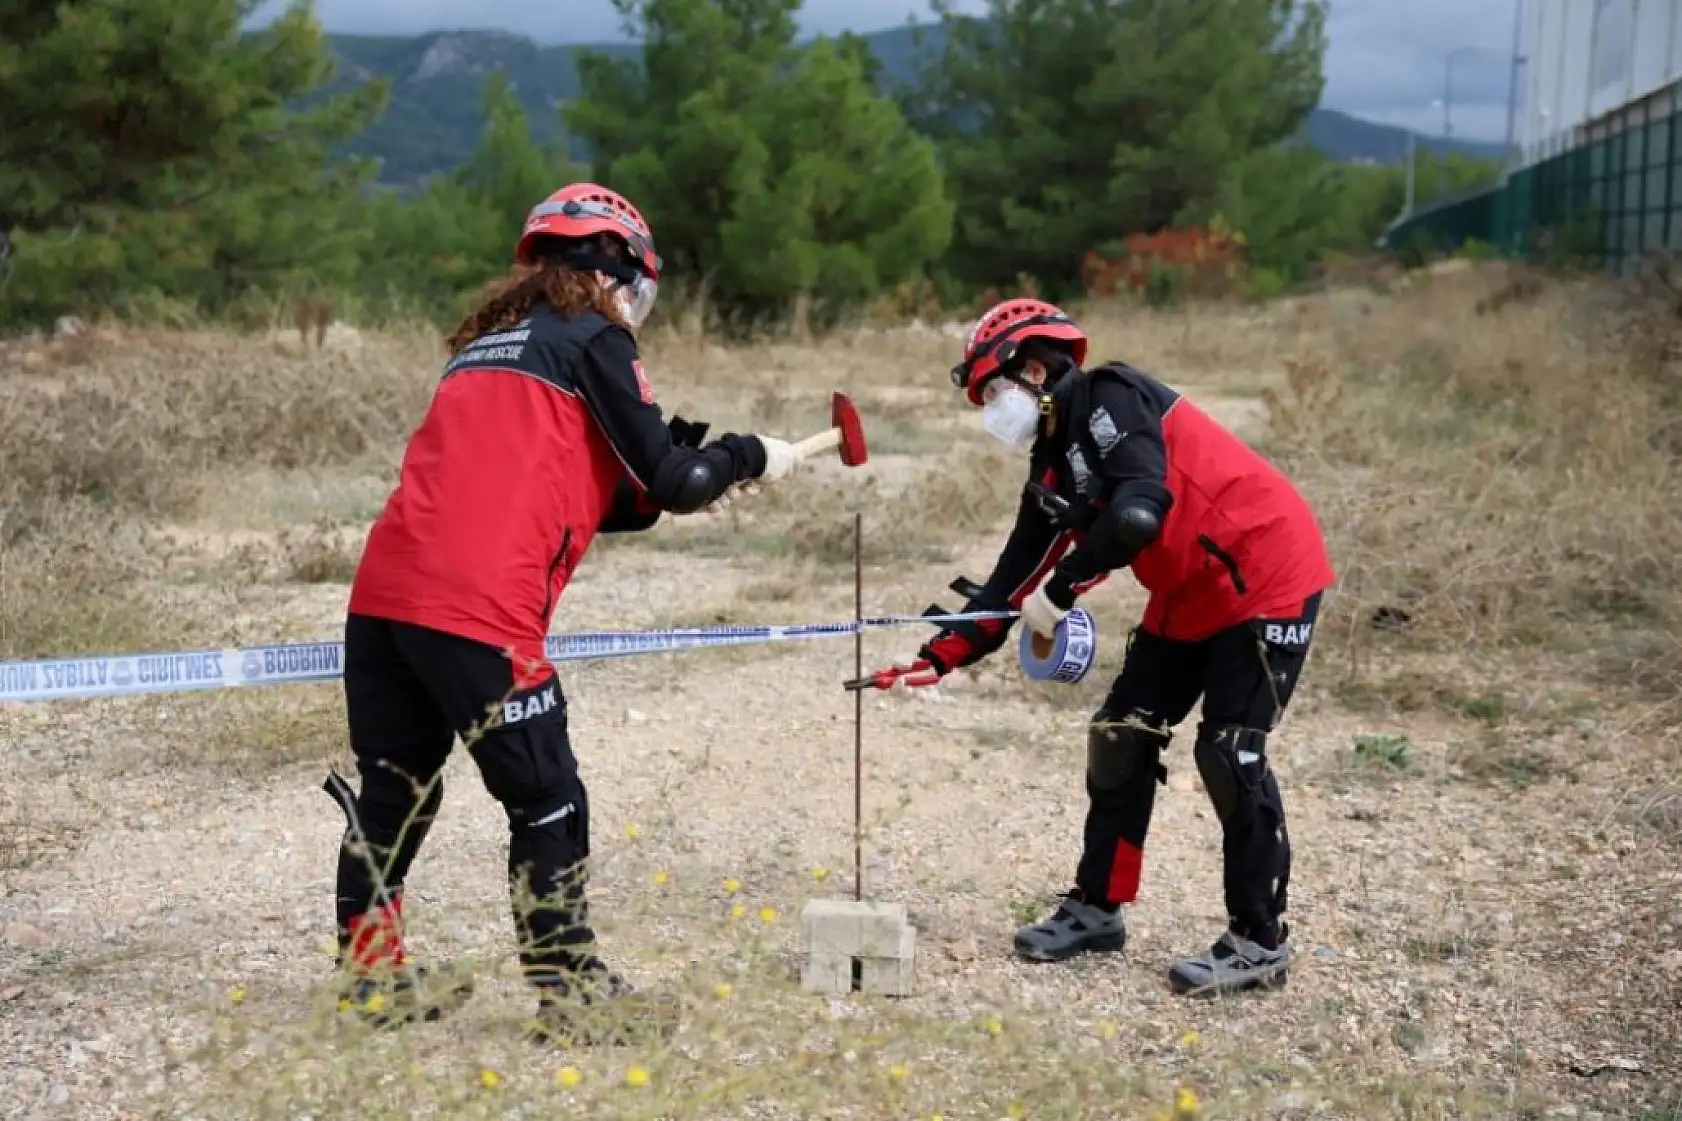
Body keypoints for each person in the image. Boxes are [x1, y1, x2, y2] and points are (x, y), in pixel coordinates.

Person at [326, 182, 803, 1042]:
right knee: (549, 798)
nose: (635, 306)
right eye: (638, 286)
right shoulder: (598, 341)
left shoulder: (483, 349)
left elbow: (603, 491)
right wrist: (742, 456)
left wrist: (686, 468)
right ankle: (569, 991)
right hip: (477, 606)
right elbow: (675, 481)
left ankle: (370, 979)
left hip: (384, 597)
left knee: (394, 795)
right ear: (616, 268)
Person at [862, 297, 1335, 996]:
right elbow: (1008, 583)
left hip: (1266, 571)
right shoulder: (1051, 467)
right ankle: (1097, 907)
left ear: (1032, 368)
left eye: (994, 391)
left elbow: (1140, 510)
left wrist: (1064, 587)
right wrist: (938, 657)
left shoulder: (1113, 394)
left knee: (1230, 750)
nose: (991, 408)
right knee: (1120, 734)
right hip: (1188, 591)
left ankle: (1258, 938)